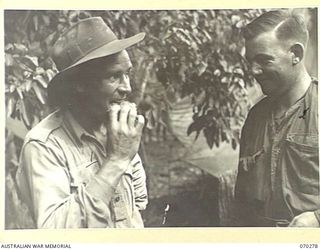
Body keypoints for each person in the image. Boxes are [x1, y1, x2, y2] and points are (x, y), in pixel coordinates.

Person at [16, 17, 148, 228]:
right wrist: (116, 161)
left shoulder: (118, 130)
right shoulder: (45, 146)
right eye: (114, 76)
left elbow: (137, 206)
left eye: (127, 74)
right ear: (80, 84)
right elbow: (55, 233)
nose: (127, 88)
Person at [235, 10, 319, 227]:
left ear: (296, 54)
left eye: (264, 60)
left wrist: (318, 219)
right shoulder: (255, 117)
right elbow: (241, 202)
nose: (253, 70)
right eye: (250, 61)